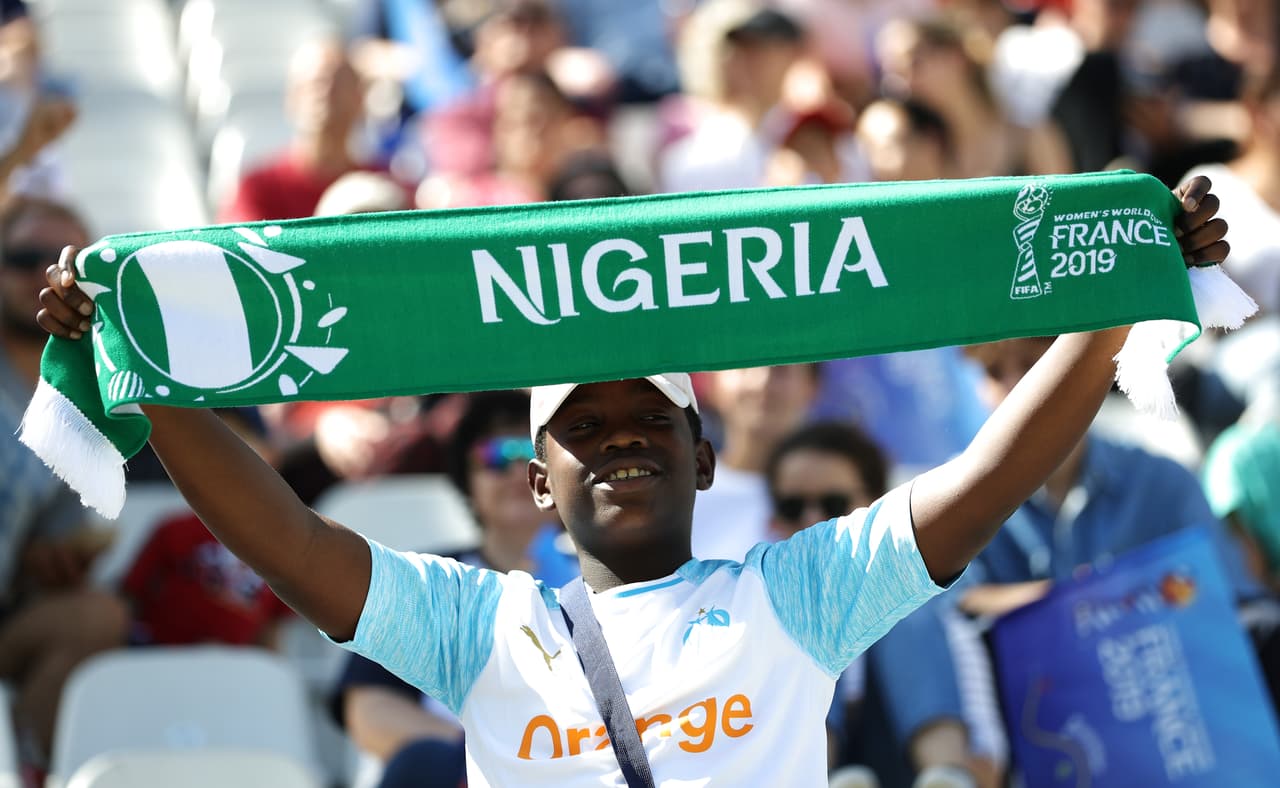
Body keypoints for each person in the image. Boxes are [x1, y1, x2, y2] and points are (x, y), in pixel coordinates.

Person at [35, 177, 1229, 785]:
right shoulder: (475, 621)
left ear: (703, 454)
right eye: (581, 425)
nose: (618, 438)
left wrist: (1120, 291)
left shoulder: (798, 594)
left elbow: (986, 472)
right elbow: (286, 536)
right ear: (537, 486)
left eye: (647, 419)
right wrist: (147, 379)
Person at [331, 390, 576, 788]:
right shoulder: (424, 581)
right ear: (467, 478)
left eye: (536, 455)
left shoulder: (608, 580)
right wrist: (498, 756)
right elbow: (370, 712)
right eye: (498, 456)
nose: (519, 473)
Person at [0, 196, 126, 769]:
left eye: (66, 264)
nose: (44, 277)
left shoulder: (89, 391)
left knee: (96, 615)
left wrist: (53, 560)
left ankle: (27, 766)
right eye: (24, 257)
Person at [217, 40, 372, 223]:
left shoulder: (383, 187)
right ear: (291, 99)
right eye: (315, 84)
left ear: (360, 99)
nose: (325, 93)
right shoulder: (258, 190)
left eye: (339, 83)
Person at [690, 364, 817, 561]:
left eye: (781, 370)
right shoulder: (683, 492)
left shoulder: (846, 490)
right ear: (712, 382)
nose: (762, 383)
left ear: (812, 385)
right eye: (743, 367)